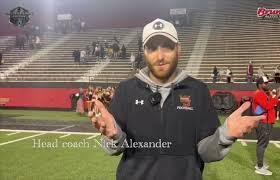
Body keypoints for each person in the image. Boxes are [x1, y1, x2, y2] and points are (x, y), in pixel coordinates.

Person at [88, 18, 265, 180]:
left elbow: (206, 153)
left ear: (178, 48)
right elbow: (115, 148)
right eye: (152, 48)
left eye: (167, 46)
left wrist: (225, 135)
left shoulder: (198, 90)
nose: (160, 56)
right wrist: (113, 136)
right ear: (144, 52)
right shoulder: (126, 90)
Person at [252, 76, 278, 176]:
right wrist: (274, 97)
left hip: (265, 122)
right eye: (265, 83)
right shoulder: (259, 94)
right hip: (264, 122)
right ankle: (259, 166)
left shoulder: (261, 93)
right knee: (262, 144)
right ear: (260, 84)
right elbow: (267, 106)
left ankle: (260, 163)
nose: (267, 85)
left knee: (263, 143)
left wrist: (272, 97)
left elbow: (267, 105)